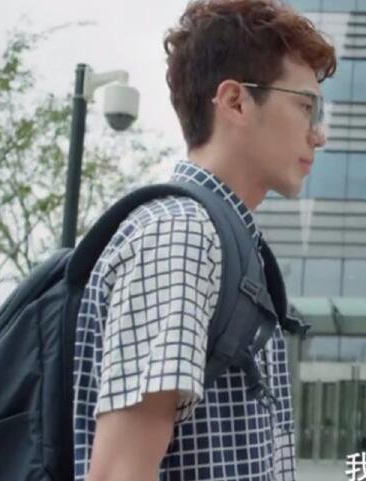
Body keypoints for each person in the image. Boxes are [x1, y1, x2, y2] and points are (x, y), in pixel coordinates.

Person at [71, 1, 336, 480]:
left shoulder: (223, 239)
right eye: (305, 106)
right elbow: (118, 474)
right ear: (235, 102)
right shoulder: (182, 235)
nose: (319, 135)